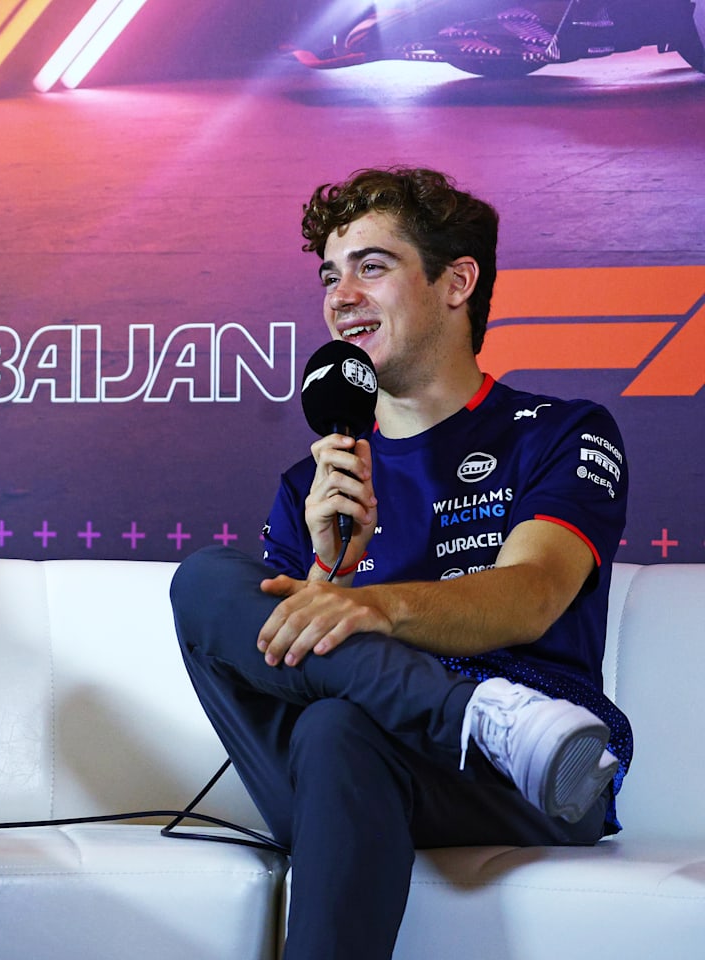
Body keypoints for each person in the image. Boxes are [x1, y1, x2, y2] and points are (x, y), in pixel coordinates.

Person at [170, 166, 630, 960]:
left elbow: (532, 595)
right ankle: (470, 716)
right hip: (340, 763)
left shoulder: (559, 432)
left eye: (371, 267)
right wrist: (332, 576)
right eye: (329, 274)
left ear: (457, 282)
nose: (340, 296)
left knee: (341, 726)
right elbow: (284, 657)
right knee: (205, 580)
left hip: (530, 777)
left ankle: (494, 722)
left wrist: (375, 606)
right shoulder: (314, 481)